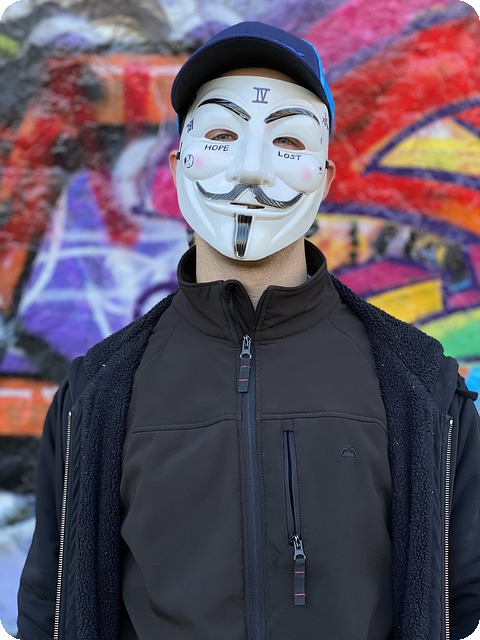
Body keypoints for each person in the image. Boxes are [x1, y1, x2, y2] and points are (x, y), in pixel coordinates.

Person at [16, 21, 480, 640]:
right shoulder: (97, 395)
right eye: (222, 135)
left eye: (286, 140)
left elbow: (464, 597)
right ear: (179, 164)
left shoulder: (420, 388)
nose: (253, 170)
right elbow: (51, 608)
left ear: (324, 177)